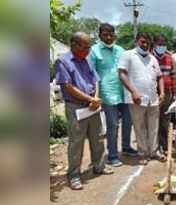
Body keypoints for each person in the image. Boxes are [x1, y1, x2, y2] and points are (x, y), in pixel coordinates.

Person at [55, 32, 114, 190]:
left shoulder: (87, 59)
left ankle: (99, 166)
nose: (88, 50)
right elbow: (68, 86)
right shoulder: (63, 61)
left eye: (89, 47)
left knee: (98, 137)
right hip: (76, 106)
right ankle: (74, 174)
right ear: (74, 44)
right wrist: (90, 100)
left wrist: (95, 97)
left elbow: (96, 80)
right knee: (76, 142)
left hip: (92, 105)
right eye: (85, 47)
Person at [90, 23, 137, 167]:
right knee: (113, 125)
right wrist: (95, 94)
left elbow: (127, 69)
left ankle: (126, 147)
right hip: (107, 92)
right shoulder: (94, 50)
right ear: (100, 35)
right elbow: (91, 73)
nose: (109, 37)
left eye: (111, 34)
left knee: (128, 121)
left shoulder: (120, 50)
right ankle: (112, 155)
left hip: (123, 91)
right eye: (105, 34)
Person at [118, 32, 166, 165]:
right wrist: (133, 92)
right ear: (136, 41)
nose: (145, 45)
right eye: (142, 42)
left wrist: (161, 92)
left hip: (153, 99)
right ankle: (143, 153)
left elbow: (160, 76)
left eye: (147, 43)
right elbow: (122, 74)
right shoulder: (127, 55)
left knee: (153, 126)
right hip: (136, 99)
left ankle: (154, 151)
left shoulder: (153, 58)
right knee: (140, 127)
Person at [152, 33, 176, 155]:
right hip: (154, 93)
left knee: (165, 120)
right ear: (155, 44)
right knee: (154, 119)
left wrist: (174, 92)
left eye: (164, 44)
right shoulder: (150, 57)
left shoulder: (169, 57)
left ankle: (165, 145)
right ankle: (155, 146)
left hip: (167, 93)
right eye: (159, 44)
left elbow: (173, 75)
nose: (162, 46)